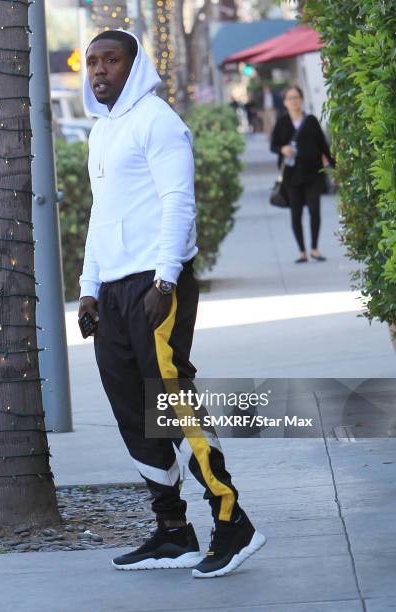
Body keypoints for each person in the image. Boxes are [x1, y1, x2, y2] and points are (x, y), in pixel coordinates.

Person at [78, 29, 266, 579]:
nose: (98, 71)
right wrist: (89, 287)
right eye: (92, 62)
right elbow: (100, 215)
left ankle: (233, 522)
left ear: (133, 68)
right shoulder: (102, 131)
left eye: (110, 60)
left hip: (156, 285)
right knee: (134, 413)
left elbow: (178, 203)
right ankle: (172, 531)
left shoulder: (159, 122)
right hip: (112, 291)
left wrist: (164, 283)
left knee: (170, 404)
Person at [270, 85, 334, 263]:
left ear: (302, 99)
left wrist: (333, 164)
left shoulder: (311, 120)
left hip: (313, 173)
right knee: (296, 213)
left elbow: (323, 145)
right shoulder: (282, 122)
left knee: (315, 211)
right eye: (290, 98)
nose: (294, 101)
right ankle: (301, 251)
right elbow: (273, 146)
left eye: (296, 97)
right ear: (284, 102)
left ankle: (314, 248)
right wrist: (283, 149)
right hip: (291, 176)